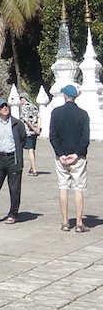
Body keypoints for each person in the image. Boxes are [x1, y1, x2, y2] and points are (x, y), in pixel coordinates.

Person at [49, 84, 91, 232]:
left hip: (62, 156)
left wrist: (60, 154)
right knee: (78, 188)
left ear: (65, 96)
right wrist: (77, 154)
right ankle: (79, 223)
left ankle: (66, 222)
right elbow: (85, 138)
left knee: (63, 187)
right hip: (77, 157)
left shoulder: (56, 113)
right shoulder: (83, 114)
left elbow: (53, 136)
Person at [0, 98, 27, 225]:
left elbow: (22, 139)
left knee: (14, 188)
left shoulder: (16, 124)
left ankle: (13, 213)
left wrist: (18, 157)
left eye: (6, 106)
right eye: (2, 107)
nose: (5, 108)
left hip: (12, 158)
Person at [19, 92, 41, 176]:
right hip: (34, 132)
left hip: (28, 132)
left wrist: (34, 129)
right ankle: (32, 167)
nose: (20, 100)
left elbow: (26, 120)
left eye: (21, 98)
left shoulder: (25, 107)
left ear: (25, 98)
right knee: (32, 150)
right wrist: (38, 128)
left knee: (30, 150)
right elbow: (39, 117)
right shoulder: (34, 106)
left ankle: (34, 170)